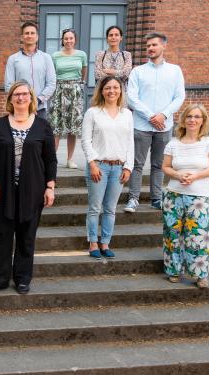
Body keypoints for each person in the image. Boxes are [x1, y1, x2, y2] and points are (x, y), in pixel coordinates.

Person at [0, 81, 57, 295]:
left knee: (26, 236)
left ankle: (23, 278)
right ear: (11, 99)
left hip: (32, 191)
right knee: (2, 235)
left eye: (25, 94)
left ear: (31, 98)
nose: (21, 98)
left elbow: (50, 160)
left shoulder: (43, 126)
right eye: (17, 94)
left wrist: (50, 187)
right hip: (2, 190)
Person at [125, 32, 185, 212]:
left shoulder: (175, 71)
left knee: (159, 165)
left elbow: (179, 96)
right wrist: (152, 116)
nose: (150, 48)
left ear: (164, 46)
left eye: (154, 45)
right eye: (148, 46)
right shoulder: (138, 71)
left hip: (164, 127)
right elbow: (131, 98)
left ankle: (156, 199)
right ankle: (133, 199)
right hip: (141, 125)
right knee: (136, 164)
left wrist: (164, 115)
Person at [81, 76, 134, 260]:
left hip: (118, 168)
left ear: (120, 90)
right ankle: (93, 242)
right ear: (101, 91)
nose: (112, 91)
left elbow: (130, 142)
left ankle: (105, 242)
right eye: (108, 88)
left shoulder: (127, 114)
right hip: (99, 167)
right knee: (95, 207)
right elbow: (86, 141)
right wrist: (93, 163)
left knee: (110, 208)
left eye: (115, 87)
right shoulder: (93, 112)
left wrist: (128, 167)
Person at [161, 104, 209, 288]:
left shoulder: (207, 142)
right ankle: (174, 271)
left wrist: (196, 176)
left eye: (197, 117)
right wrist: (178, 175)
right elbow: (165, 167)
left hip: (200, 196)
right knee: (172, 234)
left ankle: (200, 274)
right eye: (189, 116)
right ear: (183, 120)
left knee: (198, 235)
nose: (192, 120)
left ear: (203, 120)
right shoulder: (173, 143)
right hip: (174, 195)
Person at [49, 28, 88, 169]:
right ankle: (52, 159)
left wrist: (79, 85)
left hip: (75, 92)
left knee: (73, 127)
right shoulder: (55, 56)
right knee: (56, 127)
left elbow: (84, 72)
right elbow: (52, 74)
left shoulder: (81, 55)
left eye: (71, 38)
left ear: (75, 40)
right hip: (59, 91)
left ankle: (70, 159)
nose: (68, 41)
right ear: (62, 40)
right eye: (66, 38)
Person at [4, 21, 56, 120]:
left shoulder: (46, 58)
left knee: (40, 135)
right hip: (19, 108)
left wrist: (37, 101)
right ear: (22, 37)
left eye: (32, 33)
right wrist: (22, 100)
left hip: (40, 109)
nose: (29, 36)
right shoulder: (13, 59)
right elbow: (9, 85)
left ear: (37, 37)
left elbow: (51, 83)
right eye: (26, 33)